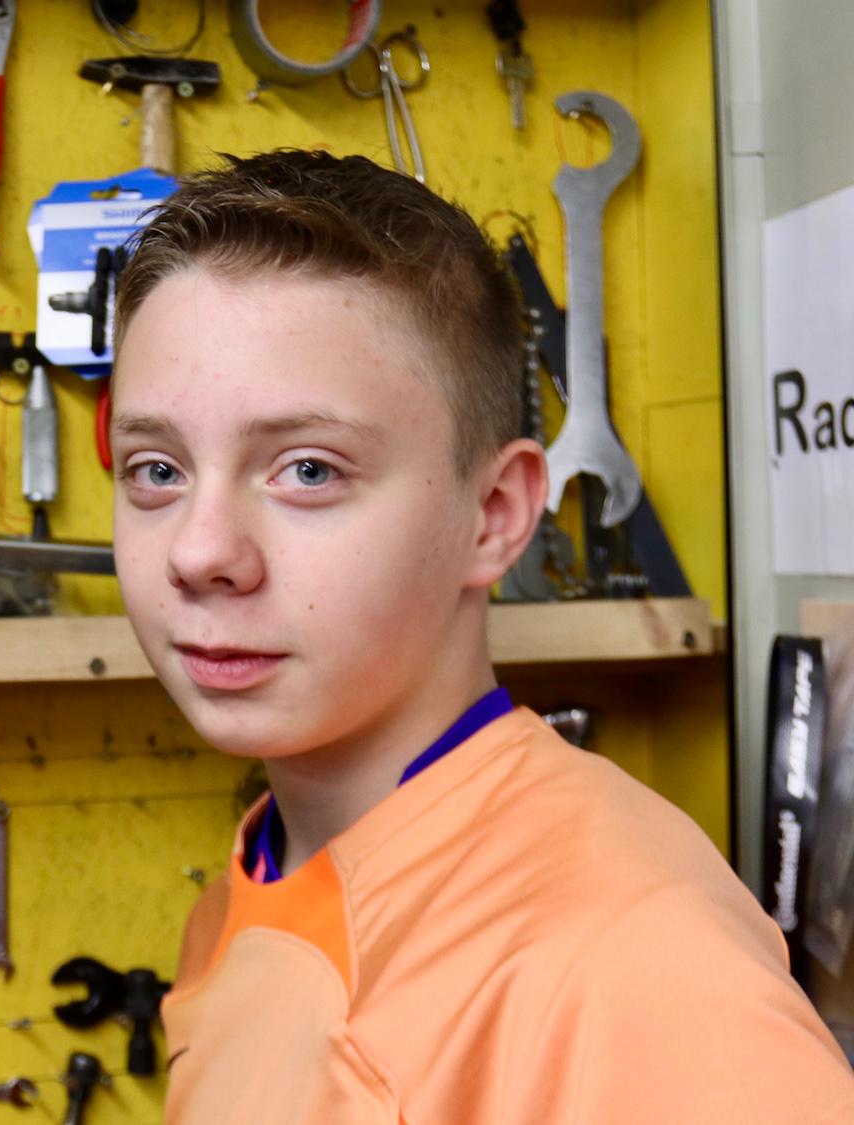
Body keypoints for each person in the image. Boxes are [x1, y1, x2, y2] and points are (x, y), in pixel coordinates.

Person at [107, 149, 854, 1123]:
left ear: (493, 515)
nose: (200, 552)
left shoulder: (631, 961)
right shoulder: (258, 876)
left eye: (307, 470)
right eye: (156, 470)